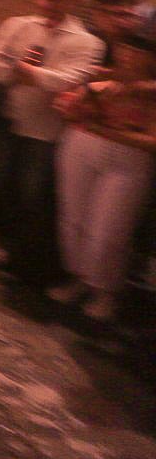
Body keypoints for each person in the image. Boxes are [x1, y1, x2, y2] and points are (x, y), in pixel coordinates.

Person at [0, 0, 104, 281]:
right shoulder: (17, 25)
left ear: (71, 2)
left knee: (32, 193)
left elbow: (73, 78)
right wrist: (30, 73)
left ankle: (15, 249)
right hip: (9, 117)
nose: (47, 4)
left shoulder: (86, 41)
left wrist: (27, 72)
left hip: (45, 130)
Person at [49, 31, 156, 323]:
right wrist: (69, 106)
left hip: (127, 161)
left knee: (109, 230)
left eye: (138, 51)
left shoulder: (150, 92)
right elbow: (74, 107)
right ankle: (79, 279)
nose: (128, 55)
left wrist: (104, 130)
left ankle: (105, 291)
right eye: (124, 48)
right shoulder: (102, 78)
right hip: (81, 147)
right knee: (74, 217)